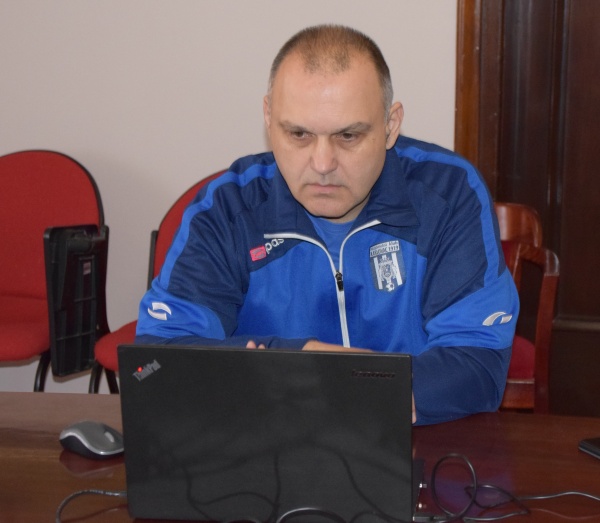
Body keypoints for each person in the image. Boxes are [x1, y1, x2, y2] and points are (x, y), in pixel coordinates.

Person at [136, 24, 519, 425]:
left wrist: (312, 379)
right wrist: (304, 358)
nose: (322, 164)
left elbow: (478, 363)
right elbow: (155, 363)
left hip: (415, 443)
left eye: (348, 136)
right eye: (298, 134)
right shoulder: (226, 210)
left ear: (390, 125)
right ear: (268, 117)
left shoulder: (449, 194)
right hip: (267, 446)